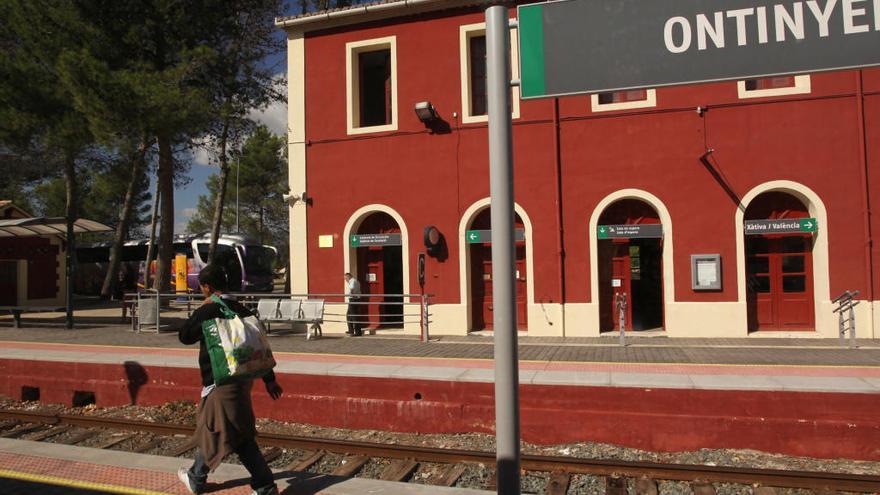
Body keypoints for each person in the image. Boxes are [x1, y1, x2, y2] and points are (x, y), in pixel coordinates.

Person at [177, 264, 283, 495]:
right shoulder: (242, 308)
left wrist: (200, 310)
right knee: (221, 429)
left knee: (233, 434)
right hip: (243, 378)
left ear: (207, 286)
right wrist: (269, 379)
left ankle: (264, 486)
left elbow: (184, 336)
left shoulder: (208, 310)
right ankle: (197, 476)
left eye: (202, 287)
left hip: (220, 382)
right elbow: (255, 346)